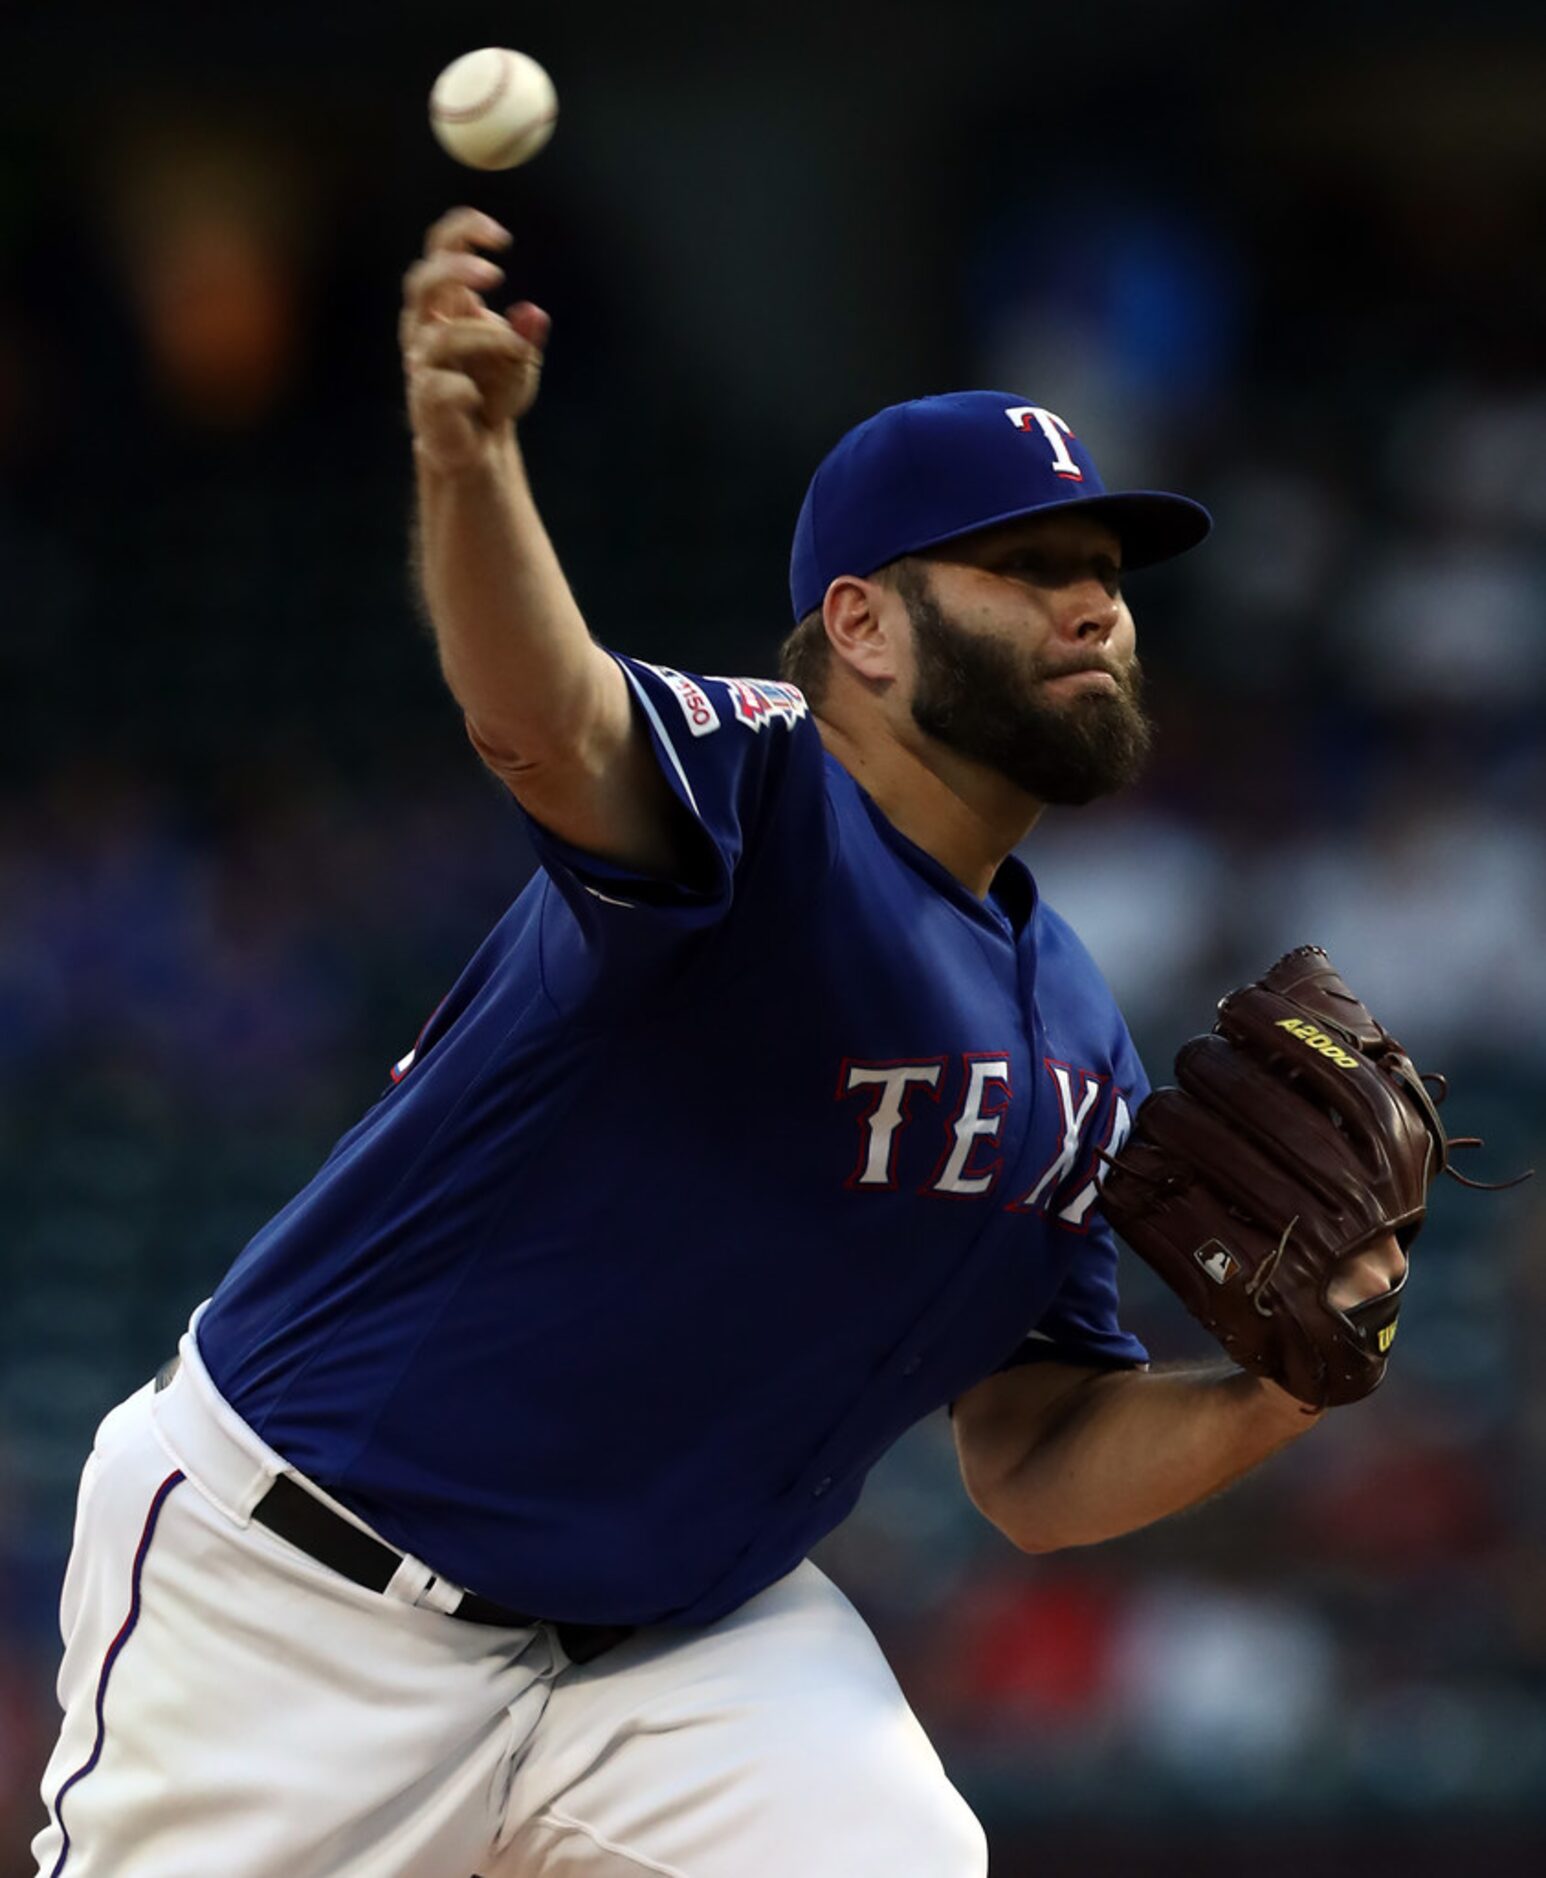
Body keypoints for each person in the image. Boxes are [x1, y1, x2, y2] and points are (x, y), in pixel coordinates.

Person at [32, 207, 1407, 1878]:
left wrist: (1285, 1384)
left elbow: (1035, 1465)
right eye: (1029, 566)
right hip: (310, 1593)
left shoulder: (1074, 1037)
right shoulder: (755, 792)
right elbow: (540, 717)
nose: (1092, 609)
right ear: (863, 625)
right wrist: (469, 466)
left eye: (1106, 575)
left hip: (680, 1640)